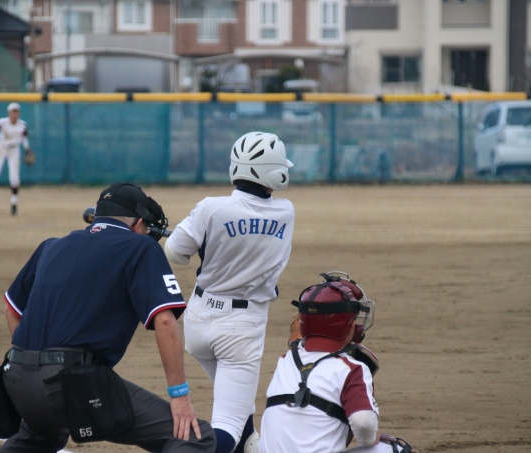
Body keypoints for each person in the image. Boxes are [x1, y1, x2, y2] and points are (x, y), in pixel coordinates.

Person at [0, 182, 215, 452]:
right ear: (137, 223)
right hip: (72, 385)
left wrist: (33, 364)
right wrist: (179, 396)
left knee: (42, 436)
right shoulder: (140, 247)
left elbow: (11, 310)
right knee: (194, 436)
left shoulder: (51, 246)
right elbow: (165, 321)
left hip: (15, 380)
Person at [163, 131, 296, 453]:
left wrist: (198, 241)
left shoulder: (211, 208)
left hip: (198, 321)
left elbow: (175, 253)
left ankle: (251, 446)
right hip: (240, 329)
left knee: (239, 404)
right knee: (228, 424)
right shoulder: (286, 211)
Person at [260, 272, 381, 453]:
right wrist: (371, 437)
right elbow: (363, 422)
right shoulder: (352, 369)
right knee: (391, 447)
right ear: (349, 327)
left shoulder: (286, 360)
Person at [0, 102, 32, 215]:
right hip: (1, 148)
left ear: (19, 113)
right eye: (12, 112)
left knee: (14, 178)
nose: (14, 114)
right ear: (8, 113)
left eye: (16, 112)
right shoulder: (2, 122)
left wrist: (27, 149)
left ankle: (14, 203)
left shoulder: (22, 125)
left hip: (14, 150)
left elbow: (24, 138)